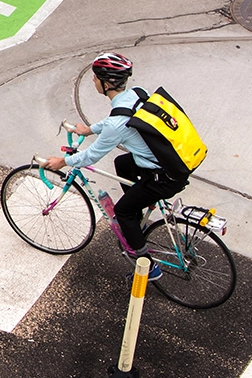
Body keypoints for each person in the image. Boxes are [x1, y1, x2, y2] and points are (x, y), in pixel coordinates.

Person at [44, 53, 189, 280]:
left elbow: (91, 155)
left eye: (95, 78)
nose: (93, 81)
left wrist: (61, 162)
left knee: (123, 212)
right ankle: (137, 215)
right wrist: (89, 129)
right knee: (122, 162)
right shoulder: (137, 93)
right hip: (172, 164)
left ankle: (147, 267)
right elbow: (119, 118)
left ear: (107, 83)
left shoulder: (116, 123)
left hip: (163, 178)